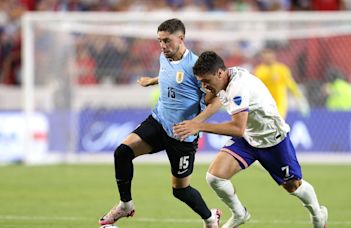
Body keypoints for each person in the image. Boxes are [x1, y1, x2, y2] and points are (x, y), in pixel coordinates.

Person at [173, 51, 328, 228]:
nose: (204, 85)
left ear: (220, 73)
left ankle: (318, 215)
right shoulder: (224, 77)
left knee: (293, 186)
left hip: (272, 139)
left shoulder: (238, 87)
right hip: (248, 137)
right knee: (215, 177)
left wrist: (198, 126)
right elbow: (213, 98)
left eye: (206, 81)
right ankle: (240, 214)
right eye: (202, 81)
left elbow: (237, 128)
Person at [98, 19, 222, 228]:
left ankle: (210, 218)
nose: (162, 46)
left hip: (182, 134)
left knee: (180, 190)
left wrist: (196, 123)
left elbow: (217, 99)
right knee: (122, 153)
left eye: (167, 41)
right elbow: (172, 75)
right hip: (159, 121)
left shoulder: (197, 66)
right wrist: (154, 80)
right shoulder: (163, 57)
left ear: (181, 39)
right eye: (159, 41)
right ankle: (126, 204)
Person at [253, 48, 309, 119]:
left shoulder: (281, 69)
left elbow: (291, 85)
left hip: (280, 103)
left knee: (277, 122)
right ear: (262, 58)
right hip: (265, 103)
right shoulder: (259, 71)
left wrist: (300, 99)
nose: (268, 58)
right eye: (265, 56)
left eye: (270, 56)